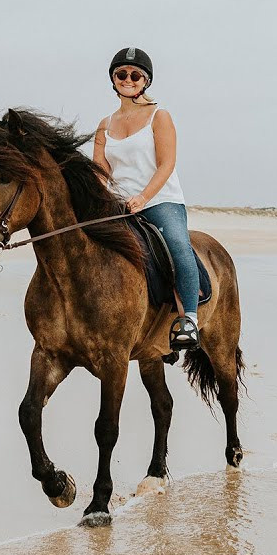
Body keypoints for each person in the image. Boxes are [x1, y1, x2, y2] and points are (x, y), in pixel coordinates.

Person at [92, 47, 200, 350]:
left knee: (178, 246)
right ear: (113, 80)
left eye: (135, 75)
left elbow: (167, 164)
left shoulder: (159, 116)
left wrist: (143, 197)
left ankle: (188, 318)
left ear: (145, 81)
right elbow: (101, 170)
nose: (128, 79)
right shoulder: (104, 124)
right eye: (121, 74)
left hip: (159, 199)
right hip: (118, 203)